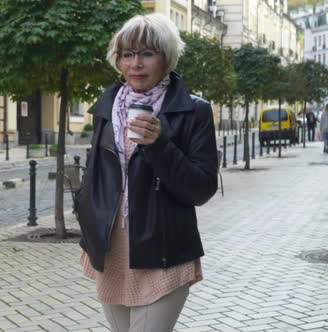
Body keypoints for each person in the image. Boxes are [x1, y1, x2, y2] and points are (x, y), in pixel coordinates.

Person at [75, 13, 218, 332]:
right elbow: (95, 174)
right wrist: (87, 221)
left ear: (166, 59)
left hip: (163, 249)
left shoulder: (193, 110)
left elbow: (202, 188)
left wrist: (159, 145)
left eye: (147, 53)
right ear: (118, 60)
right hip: (112, 250)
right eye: (128, 54)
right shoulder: (106, 107)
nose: (136, 63)